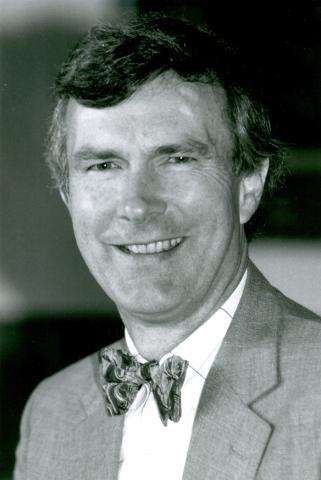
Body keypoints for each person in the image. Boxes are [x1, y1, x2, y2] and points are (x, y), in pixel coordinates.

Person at [14, 13, 321, 480]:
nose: (136, 206)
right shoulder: (53, 415)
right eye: (103, 166)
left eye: (177, 158)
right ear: (67, 195)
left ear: (248, 184)